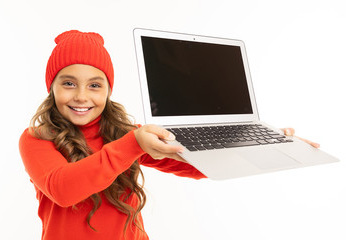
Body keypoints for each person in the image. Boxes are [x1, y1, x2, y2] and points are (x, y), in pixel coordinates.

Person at [19, 30, 320, 240]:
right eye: (68, 83)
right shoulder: (37, 139)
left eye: (95, 85)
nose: (82, 96)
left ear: (109, 90)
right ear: (52, 87)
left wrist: (264, 145)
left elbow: (195, 165)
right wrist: (133, 144)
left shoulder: (127, 135)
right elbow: (63, 189)